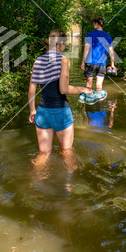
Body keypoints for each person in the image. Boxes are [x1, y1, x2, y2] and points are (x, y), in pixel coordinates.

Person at [28, 29, 93, 173]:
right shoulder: (64, 60)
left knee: (43, 154)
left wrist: (32, 110)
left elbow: (32, 89)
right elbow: (64, 89)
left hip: (42, 112)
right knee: (67, 152)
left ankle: (34, 184)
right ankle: (68, 187)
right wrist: (83, 89)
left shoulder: (38, 60)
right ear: (61, 44)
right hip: (60, 111)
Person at [80, 17, 115, 104]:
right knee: (99, 86)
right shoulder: (107, 36)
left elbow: (86, 48)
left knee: (89, 83)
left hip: (90, 62)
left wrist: (82, 61)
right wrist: (112, 64)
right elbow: (111, 51)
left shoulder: (90, 34)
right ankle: (98, 106)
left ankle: (89, 102)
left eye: (93, 23)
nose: (93, 25)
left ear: (96, 24)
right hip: (102, 63)